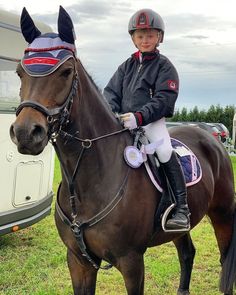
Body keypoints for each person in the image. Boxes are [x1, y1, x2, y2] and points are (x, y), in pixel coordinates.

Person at [103, 8, 190, 230]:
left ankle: (181, 208)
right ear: (133, 38)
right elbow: (111, 92)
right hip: (123, 122)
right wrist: (113, 112)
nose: (145, 40)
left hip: (151, 123)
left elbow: (164, 99)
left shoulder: (165, 66)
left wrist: (140, 117)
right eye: (140, 36)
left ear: (159, 37)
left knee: (164, 151)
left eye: (150, 35)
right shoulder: (126, 65)